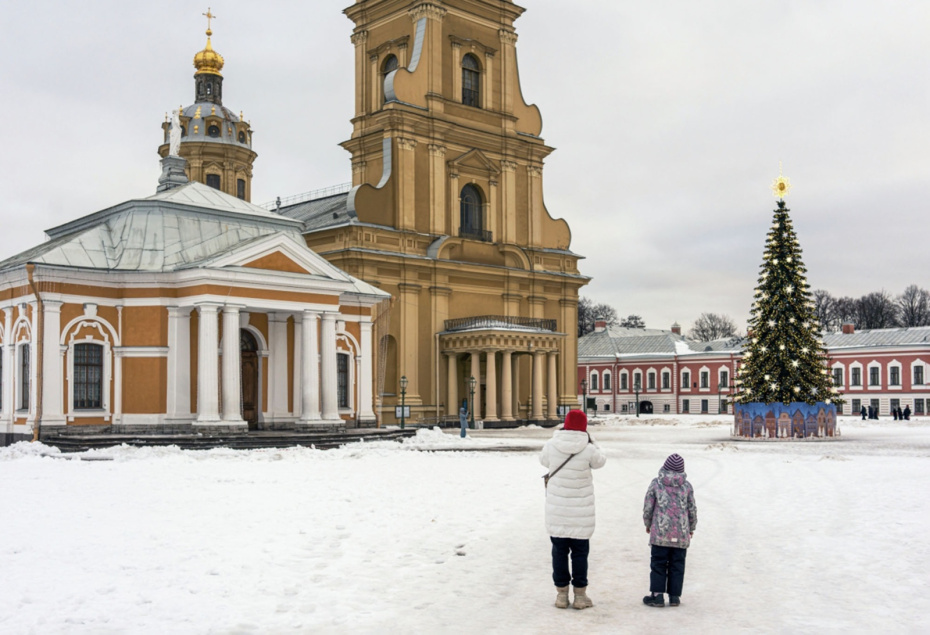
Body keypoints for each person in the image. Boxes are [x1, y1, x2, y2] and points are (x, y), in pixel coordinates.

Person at [540, 409, 606, 610]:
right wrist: (592, 440)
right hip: (581, 514)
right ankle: (580, 596)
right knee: (579, 554)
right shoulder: (588, 448)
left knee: (559, 553)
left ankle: (561, 596)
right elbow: (601, 461)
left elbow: (543, 461)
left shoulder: (552, 445)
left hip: (558, 512)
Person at [643, 453, 697, 608]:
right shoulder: (686, 487)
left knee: (658, 563)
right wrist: (691, 528)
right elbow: (692, 509)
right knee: (677, 564)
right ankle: (674, 596)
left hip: (660, 533)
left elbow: (648, 506)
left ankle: (657, 595)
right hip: (681, 535)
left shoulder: (656, 484)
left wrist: (648, 524)